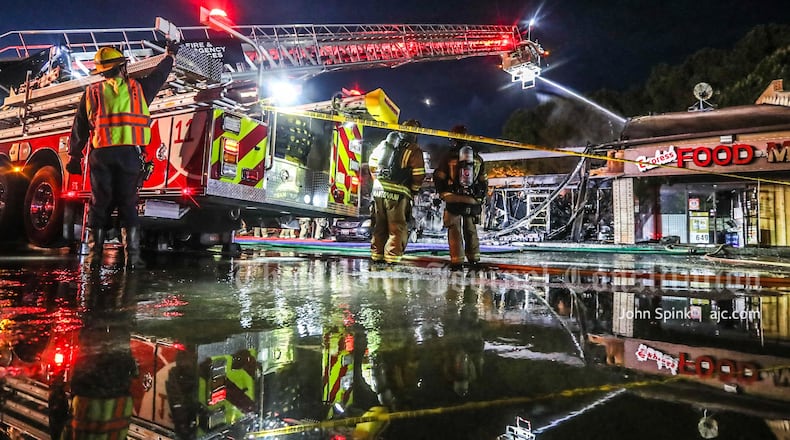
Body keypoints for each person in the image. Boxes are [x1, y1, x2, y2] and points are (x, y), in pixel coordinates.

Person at [66, 41, 179, 269]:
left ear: (102, 71)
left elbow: (79, 127)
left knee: (99, 204)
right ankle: (133, 259)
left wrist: (74, 156)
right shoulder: (138, 90)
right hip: (129, 156)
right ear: (122, 67)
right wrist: (169, 55)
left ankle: (93, 259)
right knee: (128, 204)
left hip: (101, 156)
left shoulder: (92, 93)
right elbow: (159, 76)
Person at [367, 119, 425, 265]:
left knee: (379, 225)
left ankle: (376, 257)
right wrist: (413, 191)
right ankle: (392, 261)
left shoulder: (384, 144)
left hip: (378, 191)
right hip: (398, 193)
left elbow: (372, 164)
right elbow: (418, 175)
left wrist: (377, 181)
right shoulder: (414, 150)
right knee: (397, 227)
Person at [434, 125, 488, 270]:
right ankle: (474, 259)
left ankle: (457, 262)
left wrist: (442, 193)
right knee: (471, 229)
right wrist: (480, 197)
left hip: (453, 199)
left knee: (454, 229)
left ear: (453, 138)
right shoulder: (477, 158)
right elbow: (483, 181)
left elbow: (439, 177)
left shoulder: (448, 157)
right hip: (471, 199)